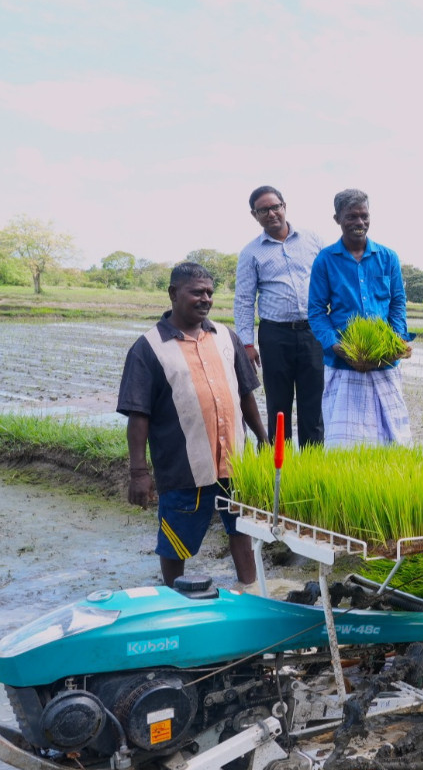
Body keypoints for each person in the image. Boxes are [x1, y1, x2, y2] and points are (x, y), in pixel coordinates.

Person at [118, 262, 269, 588]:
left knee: (240, 529)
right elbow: (138, 416)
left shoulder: (226, 337)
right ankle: (175, 595)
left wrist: (262, 436)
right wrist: (138, 473)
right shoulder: (148, 349)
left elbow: (245, 394)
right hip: (185, 468)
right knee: (175, 540)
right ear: (173, 293)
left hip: (236, 463)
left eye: (210, 293)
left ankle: (250, 589)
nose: (205, 299)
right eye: (196, 292)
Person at [308, 189, 413, 448]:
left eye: (364, 216)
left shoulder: (387, 257)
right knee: (344, 444)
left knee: (393, 440)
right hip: (343, 364)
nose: (359, 223)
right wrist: (336, 346)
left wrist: (397, 339)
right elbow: (317, 311)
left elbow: (398, 302)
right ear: (337, 219)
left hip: (385, 363)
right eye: (351, 217)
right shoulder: (326, 260)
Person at [235, 185, 326, 447]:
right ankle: (280, 470)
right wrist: (247, 344)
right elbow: (243, 300)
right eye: (264, 210)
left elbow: (328, 281)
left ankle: (312, 467)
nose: (271, 213)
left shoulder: (312, 240)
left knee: (313, 403)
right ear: (255, 215)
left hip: (312, 333)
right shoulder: (251, 252)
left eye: (275, 207)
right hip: (275, 336)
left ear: (284, 206)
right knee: (278, 405)